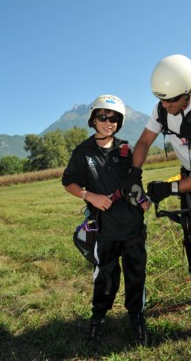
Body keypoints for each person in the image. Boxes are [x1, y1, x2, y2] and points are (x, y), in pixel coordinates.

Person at [124, 54, 191, 334]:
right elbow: (144, 141)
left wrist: (168, 188)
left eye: (171, 101)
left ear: (189, 91)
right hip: (190, 178)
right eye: (161, 100)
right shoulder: (162, 107)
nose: (165, 107)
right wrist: (134, 173)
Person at [62, 94, 151, 350]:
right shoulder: (82, 152)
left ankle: (136, 317)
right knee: (106, 278)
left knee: (137, 276)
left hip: (133, 228)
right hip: (106, 231)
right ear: (93, 119)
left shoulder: (126, 149)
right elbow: (69, 182)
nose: (108, 122)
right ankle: (97, 320)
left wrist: (142, 199)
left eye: (114, 119)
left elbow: (135, 184)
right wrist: (90, 195)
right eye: (103, 117)